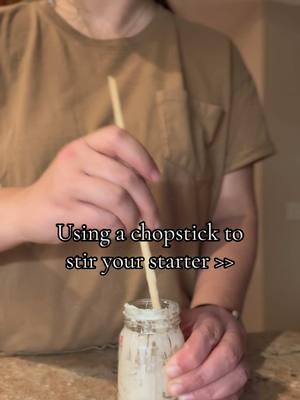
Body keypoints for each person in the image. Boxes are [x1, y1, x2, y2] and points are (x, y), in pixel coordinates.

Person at [0, 0, 274, 398]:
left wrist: (215, 312)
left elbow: (233, 218)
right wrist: (25, 207)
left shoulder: (216, 57)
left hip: (167, 373)